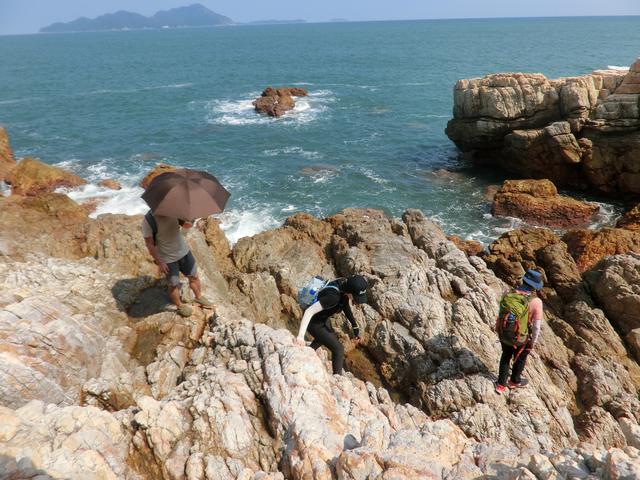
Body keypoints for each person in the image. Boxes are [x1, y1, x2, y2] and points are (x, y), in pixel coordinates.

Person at [141, 211, 214, 317]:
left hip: (184, 252)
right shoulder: (148, 221)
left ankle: (198, 297)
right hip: (168, 259)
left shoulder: (174, 210)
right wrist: (160, 262)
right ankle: (180, 305)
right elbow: (149, 244)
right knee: (174, 285)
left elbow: (185, 228)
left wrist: (190, 221)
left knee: (194, 277)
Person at [295, 275, 368, 375]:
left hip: (322, 319)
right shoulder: (333, 297)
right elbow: (309, 311)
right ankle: (338, 378)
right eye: (356, 296)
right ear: (350, 291)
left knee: (327, 337)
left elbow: (345, 305)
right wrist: (300, 337)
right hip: (313, 322)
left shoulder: (343, 283)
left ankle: (307, 353)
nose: (356, 300)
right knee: (338, 349)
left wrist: (355, 326)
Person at [494, 269, 544, 394]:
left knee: (505, 356)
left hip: (504, 331)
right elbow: (537, 326)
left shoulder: (510, 293)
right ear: (536, 287)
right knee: (521, 356)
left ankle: (500, 385)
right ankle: (514, 381)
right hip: (520, 336)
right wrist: (533, 341)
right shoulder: (536, 302)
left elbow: (502, 314)